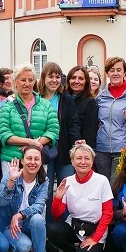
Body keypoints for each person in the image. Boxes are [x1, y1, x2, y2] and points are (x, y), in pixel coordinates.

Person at [47, 142, 114, 252]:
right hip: (74, 227)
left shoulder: (102, 181)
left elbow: (108, 213)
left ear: (92, 161)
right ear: (72, 161)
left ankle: (97, 251)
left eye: (87, 158)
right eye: (78, 158)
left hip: (95, 230)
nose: (83, 162)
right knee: (51, 228)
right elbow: (56, 215)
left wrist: (95, 238)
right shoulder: (68, 181)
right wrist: (58, 198)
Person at [0, 64, 60, 188]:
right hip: (13, 159)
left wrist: (33, 146)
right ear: (16, 82)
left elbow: (53, 130)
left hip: (36, 160)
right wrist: (30, 142)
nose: (27, 83)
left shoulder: (45, 105)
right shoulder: (7, 106)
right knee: (11, 195)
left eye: (30, 80)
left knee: (36, 196)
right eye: (23, 80)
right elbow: (5, 134)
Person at [0, 147, 51, 252]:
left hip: (26, 223)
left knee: (38, 219)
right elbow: (1, 202)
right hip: (7, 225)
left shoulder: (44, 180)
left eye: (37, 159)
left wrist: (21, 214)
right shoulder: (10, 176)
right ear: (22, 160)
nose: (33, 162)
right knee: (23, 246)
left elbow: (39, 206)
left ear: (41, 162)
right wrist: (11, 181)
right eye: (29, 158)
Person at [38, 62, 81, 191]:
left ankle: (65, 212)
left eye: (57, 77)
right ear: (43, 78)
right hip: (43, 148)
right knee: (46, 188)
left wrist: (75, 143)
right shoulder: (36, 98)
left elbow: (73, 124)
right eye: (50, 77)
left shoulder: (66, 99)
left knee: (66, 188)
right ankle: (48, 212)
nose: (54, 80)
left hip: (64, 148)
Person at [65, 65, 98, 151]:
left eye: (80, 78)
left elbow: (90, 132)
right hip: (62, 149)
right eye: (73, 78)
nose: (76, 81)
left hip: (79, 150)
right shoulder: (63, 98)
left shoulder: (90, 102)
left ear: (86, 82)